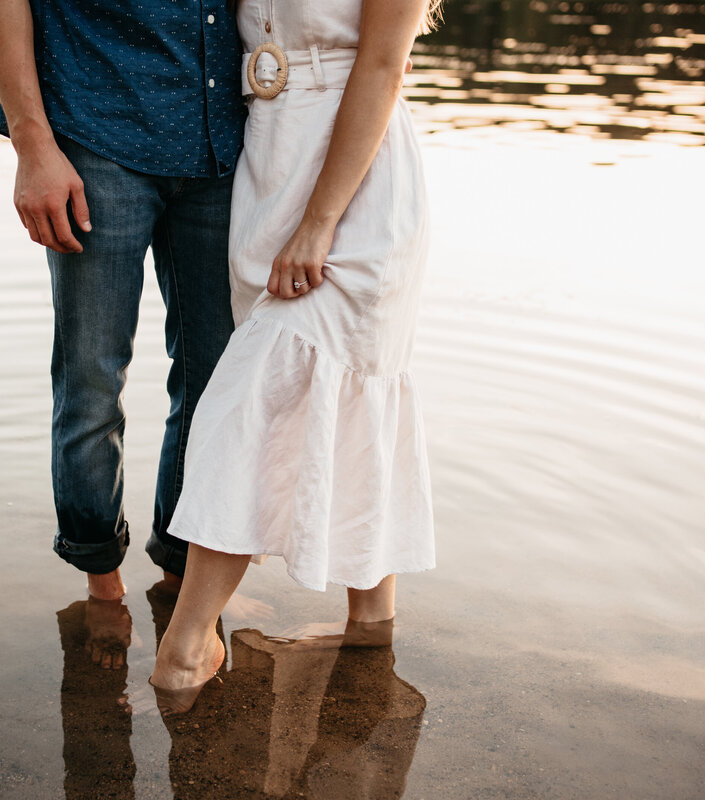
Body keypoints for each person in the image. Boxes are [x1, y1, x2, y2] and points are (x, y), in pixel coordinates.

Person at [149, 0, 442, 714]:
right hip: (268, 170)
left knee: (254, 401)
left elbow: (381, 66)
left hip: (357, 188)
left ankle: (186, 649)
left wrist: (318, 223)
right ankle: (371, 633)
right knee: (339, 407)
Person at [0, 0, 247, 604]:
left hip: (223, 146)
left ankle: (183, 579)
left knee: (217, 384)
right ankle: (102, 584)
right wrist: (31, 146)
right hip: (95, 139)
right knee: (92, 378)